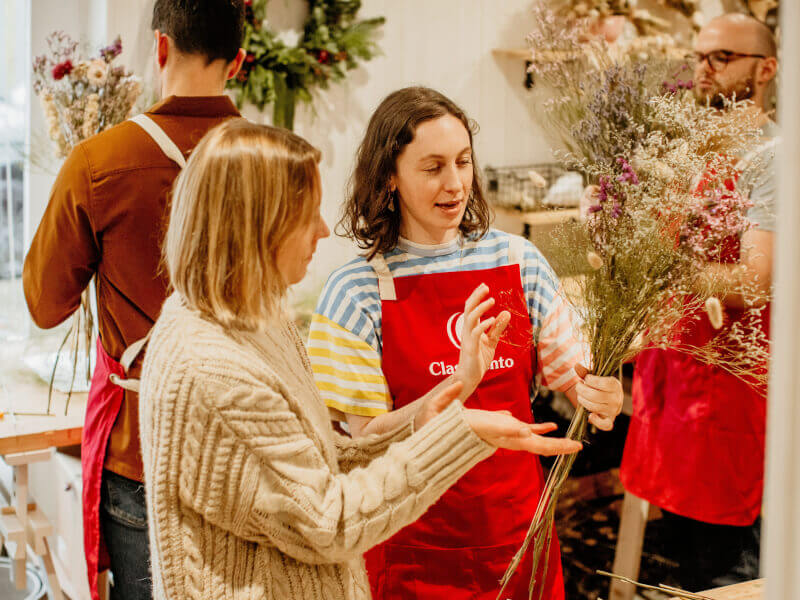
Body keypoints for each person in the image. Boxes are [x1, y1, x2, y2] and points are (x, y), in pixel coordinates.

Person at [137, 118, 582, 600]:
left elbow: (322, 458)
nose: (323, 231)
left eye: (462, 161)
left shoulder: (258, 320)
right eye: (306, 215)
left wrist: (421, 420)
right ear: (256, 226)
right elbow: (328, 522)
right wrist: (460, 434)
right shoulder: (214, 371)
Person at [308, 86, 624, 600]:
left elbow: (575, 376)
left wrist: (601, 396)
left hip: (517, 535)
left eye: (463, 162)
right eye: (432, 167)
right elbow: (363, 442)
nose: (454, 183)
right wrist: (458, 384)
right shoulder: (355, 291)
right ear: (390, 176)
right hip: (411, 547)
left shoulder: (517, 262)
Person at [22, 2, 246, 598]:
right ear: (240, 61)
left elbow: (45, 304)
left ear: (161, 48)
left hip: (144, 448)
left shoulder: (100, 161)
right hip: (245, 441)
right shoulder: (276, 160)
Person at [620, 13, 778, 591]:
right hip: (681, 384)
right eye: (698, 58)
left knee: (728, 572)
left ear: (766, 69)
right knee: (684, 557)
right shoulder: (696, 153)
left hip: (734, 395)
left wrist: (667, 267)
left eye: (721, 58)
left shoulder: (773, 159)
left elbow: (756, 279)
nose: (703, 72)